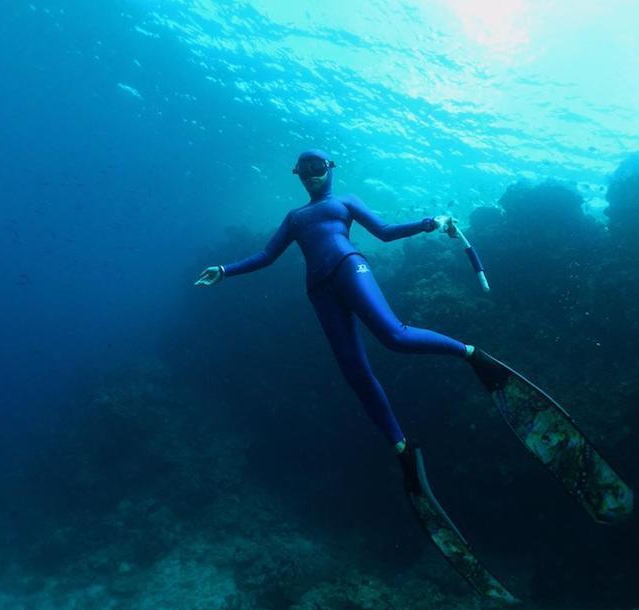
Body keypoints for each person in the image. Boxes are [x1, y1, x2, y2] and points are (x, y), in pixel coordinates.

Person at [195, 149, 481, 487]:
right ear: (297, 175)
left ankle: (471, 354)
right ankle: (401, 447)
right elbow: (266, 255)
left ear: (329, 169)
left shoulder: (345, 201)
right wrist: (225, 270)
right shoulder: (294, 217)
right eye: (303, 170)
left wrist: (429, 223)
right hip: (318, 290)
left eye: (316, 167)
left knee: (395, 337)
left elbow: (385, 232)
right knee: (354, 373)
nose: (310, 174)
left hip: (348, 265)